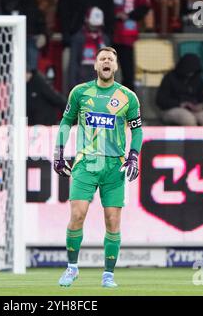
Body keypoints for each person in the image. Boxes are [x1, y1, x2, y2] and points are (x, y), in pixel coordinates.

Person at [53, 47, 143, 288]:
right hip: (86, 163)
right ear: (95, 66)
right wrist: (59, 153)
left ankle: (108, 275)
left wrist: (133, 156)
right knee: (77, 214)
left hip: (114, 166)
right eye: (102, 58)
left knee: (112, 221)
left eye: (110, 59)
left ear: (115, 67)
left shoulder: (128, 97)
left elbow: (137, 130)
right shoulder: (80, 92)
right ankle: (72, 267)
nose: (106, 62)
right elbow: (65, 122)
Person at [156, 53, 203, 126]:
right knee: (188, 119)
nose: (191, 73)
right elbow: (160, 100)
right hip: (171, 109)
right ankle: (191, 137)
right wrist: (180, 104)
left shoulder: (197, 79)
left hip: (193, 109)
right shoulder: (170, 78)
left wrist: (201, 105)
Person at [113, 0, 152, 90]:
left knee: (128, 74)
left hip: (127, 38)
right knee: (104, 71)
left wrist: (129, 15)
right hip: (109, 35)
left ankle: (128, 101)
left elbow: (145, 7)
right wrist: (114, 15)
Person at [68, 7, 110, 90]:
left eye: (97, 26)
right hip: (82, 82)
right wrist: (73, 86)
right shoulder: (78, 38)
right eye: (93, 25)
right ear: (86, 21)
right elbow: (73, 64)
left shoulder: (104, 39)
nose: (95, 28)